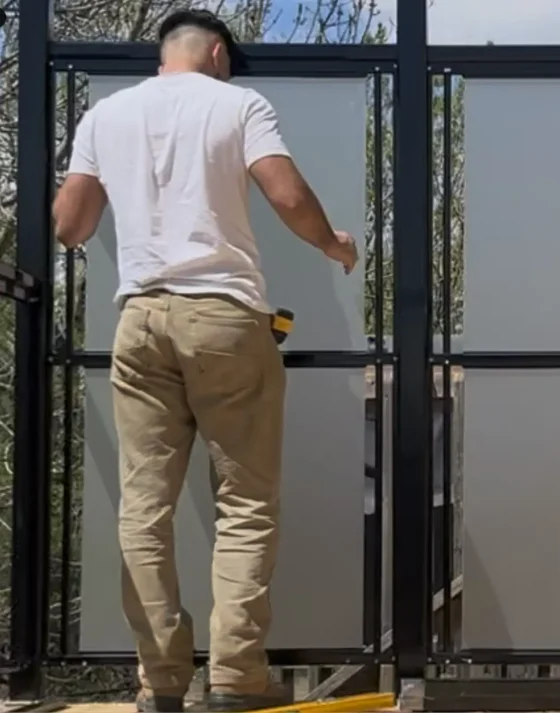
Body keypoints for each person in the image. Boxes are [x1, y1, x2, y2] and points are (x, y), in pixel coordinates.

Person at [51, 10, 359, 713]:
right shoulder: (239, 103)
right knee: (246, 503)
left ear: (167, 56)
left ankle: (160, 681)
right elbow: (285, 192)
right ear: (218, 54)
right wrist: (333, 244)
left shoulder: (108, 114)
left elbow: (71, 226)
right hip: (224, 316)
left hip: (140, 318)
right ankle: (235, 677)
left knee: (144, 508)